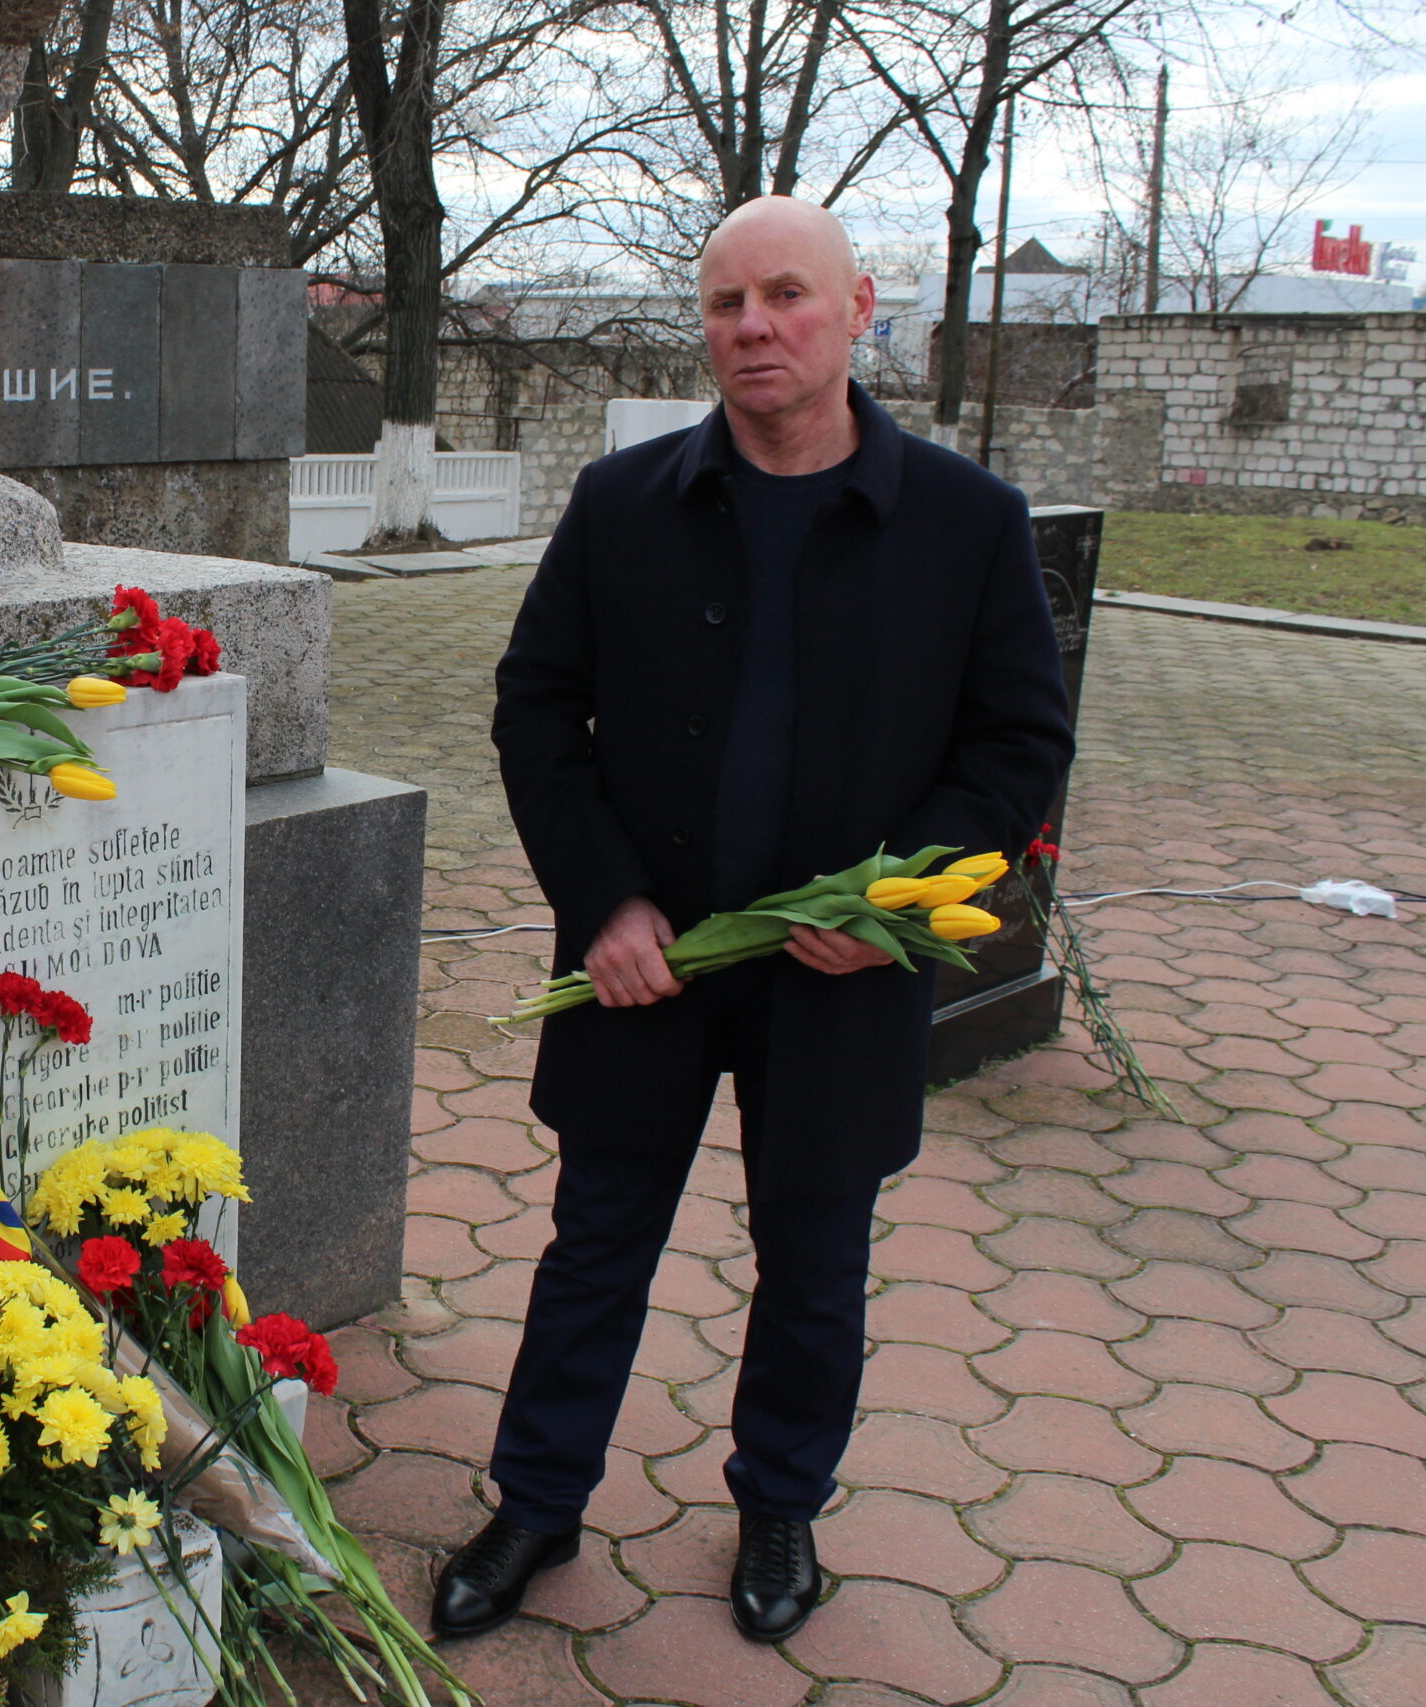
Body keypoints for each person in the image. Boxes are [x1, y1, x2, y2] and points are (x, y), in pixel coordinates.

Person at [429, 196, 1074, 1645]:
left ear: (859, 310)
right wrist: (603, 901)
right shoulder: (625, 502)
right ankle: (537, 1501)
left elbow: (1019, 746)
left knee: (815, 1259)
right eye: (727, 303)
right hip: (646, 964)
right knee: (596, 1242)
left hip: (841, 974)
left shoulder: (968, 523)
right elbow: (538, 708)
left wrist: (894, 903)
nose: (754, 327)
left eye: (787, 295)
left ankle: (781, 1503)